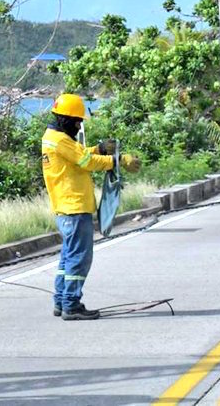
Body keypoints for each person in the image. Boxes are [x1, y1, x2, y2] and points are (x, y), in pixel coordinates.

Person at [41, 93, 141, 320]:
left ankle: (61, 301)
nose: (79, 126)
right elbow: (87, 163)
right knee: (79, 258)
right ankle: (71, 305)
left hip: (65, 208)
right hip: (74, 208)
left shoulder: (52, 137)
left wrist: (99, 148)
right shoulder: (61, 140)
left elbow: (80, 156)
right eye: (77, 121)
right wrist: (118, 160)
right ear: (66, 119)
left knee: (68, 257)